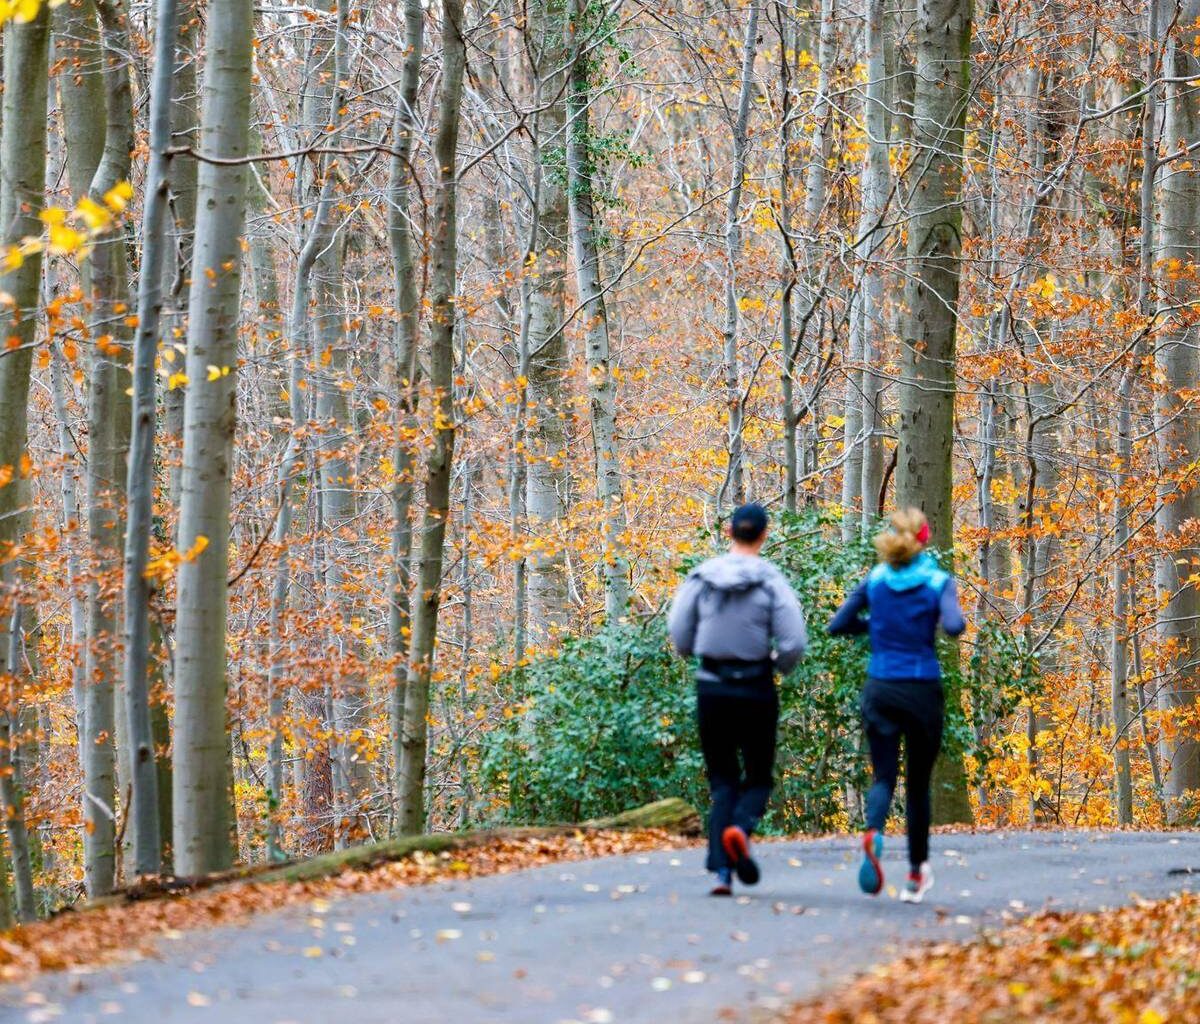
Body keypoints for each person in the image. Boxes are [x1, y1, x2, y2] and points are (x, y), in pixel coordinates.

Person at [668, 502, 808, 896]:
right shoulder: (770, 581)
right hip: (756, 688)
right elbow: (794, 639)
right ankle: (741, 831)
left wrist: (694, 652)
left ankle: (722, 874)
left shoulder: (702, 577)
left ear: (729, 532)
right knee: (759, 776)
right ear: (763, 535)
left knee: (723, 780)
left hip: (712, 685)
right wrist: (778, 665)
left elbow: (679, 629)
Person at [827, 507, 965, 904]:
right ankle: (915, 874)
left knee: (883, 777)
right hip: (921, 690)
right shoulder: (938, 581)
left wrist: (876, 626)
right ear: (924, 540)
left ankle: (873, 830)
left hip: (880, 687)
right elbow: (955, 627)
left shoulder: (875, 580)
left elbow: (837, 625)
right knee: (918, 785)